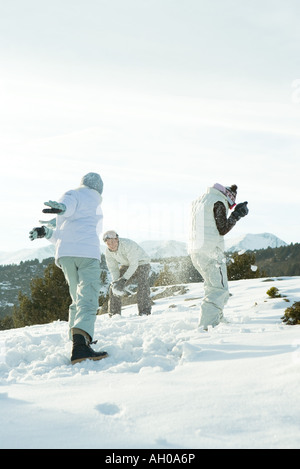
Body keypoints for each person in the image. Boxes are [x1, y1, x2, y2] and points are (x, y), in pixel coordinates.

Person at [29, 172, 108, 365]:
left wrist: (46, 231)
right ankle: (81, 346)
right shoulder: (87, 198)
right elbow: (69, 203)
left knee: (76, 298)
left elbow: (63, 232)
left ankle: (76, 339)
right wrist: (64, 207)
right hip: (87, 255)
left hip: (66, 254)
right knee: (87, 299)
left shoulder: (73, 201)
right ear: (98, 188)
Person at [188, 183, 249, 330]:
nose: (230, 207)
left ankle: (217, 319)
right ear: (229, 196)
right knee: (219, 290)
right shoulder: (218, 202)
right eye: (231, 204)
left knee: (211, 287)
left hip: (195, 251)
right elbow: (222, 228)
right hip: (211, 252)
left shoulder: (199, 200)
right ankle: (208, 325)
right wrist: (236, 215)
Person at [103, 230, 152, 316]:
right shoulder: (108, 252)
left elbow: (134, 264)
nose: (111, 245)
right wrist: (117, 282)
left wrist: (123, 280)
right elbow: (113, 268)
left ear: (117, 239)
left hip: (142, 263)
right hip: (126, 265)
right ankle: (114, 314)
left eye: (113, 241)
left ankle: (145, 312)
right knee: (114, 287)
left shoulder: (127, 245)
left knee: (143, 284)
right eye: (108, 243)